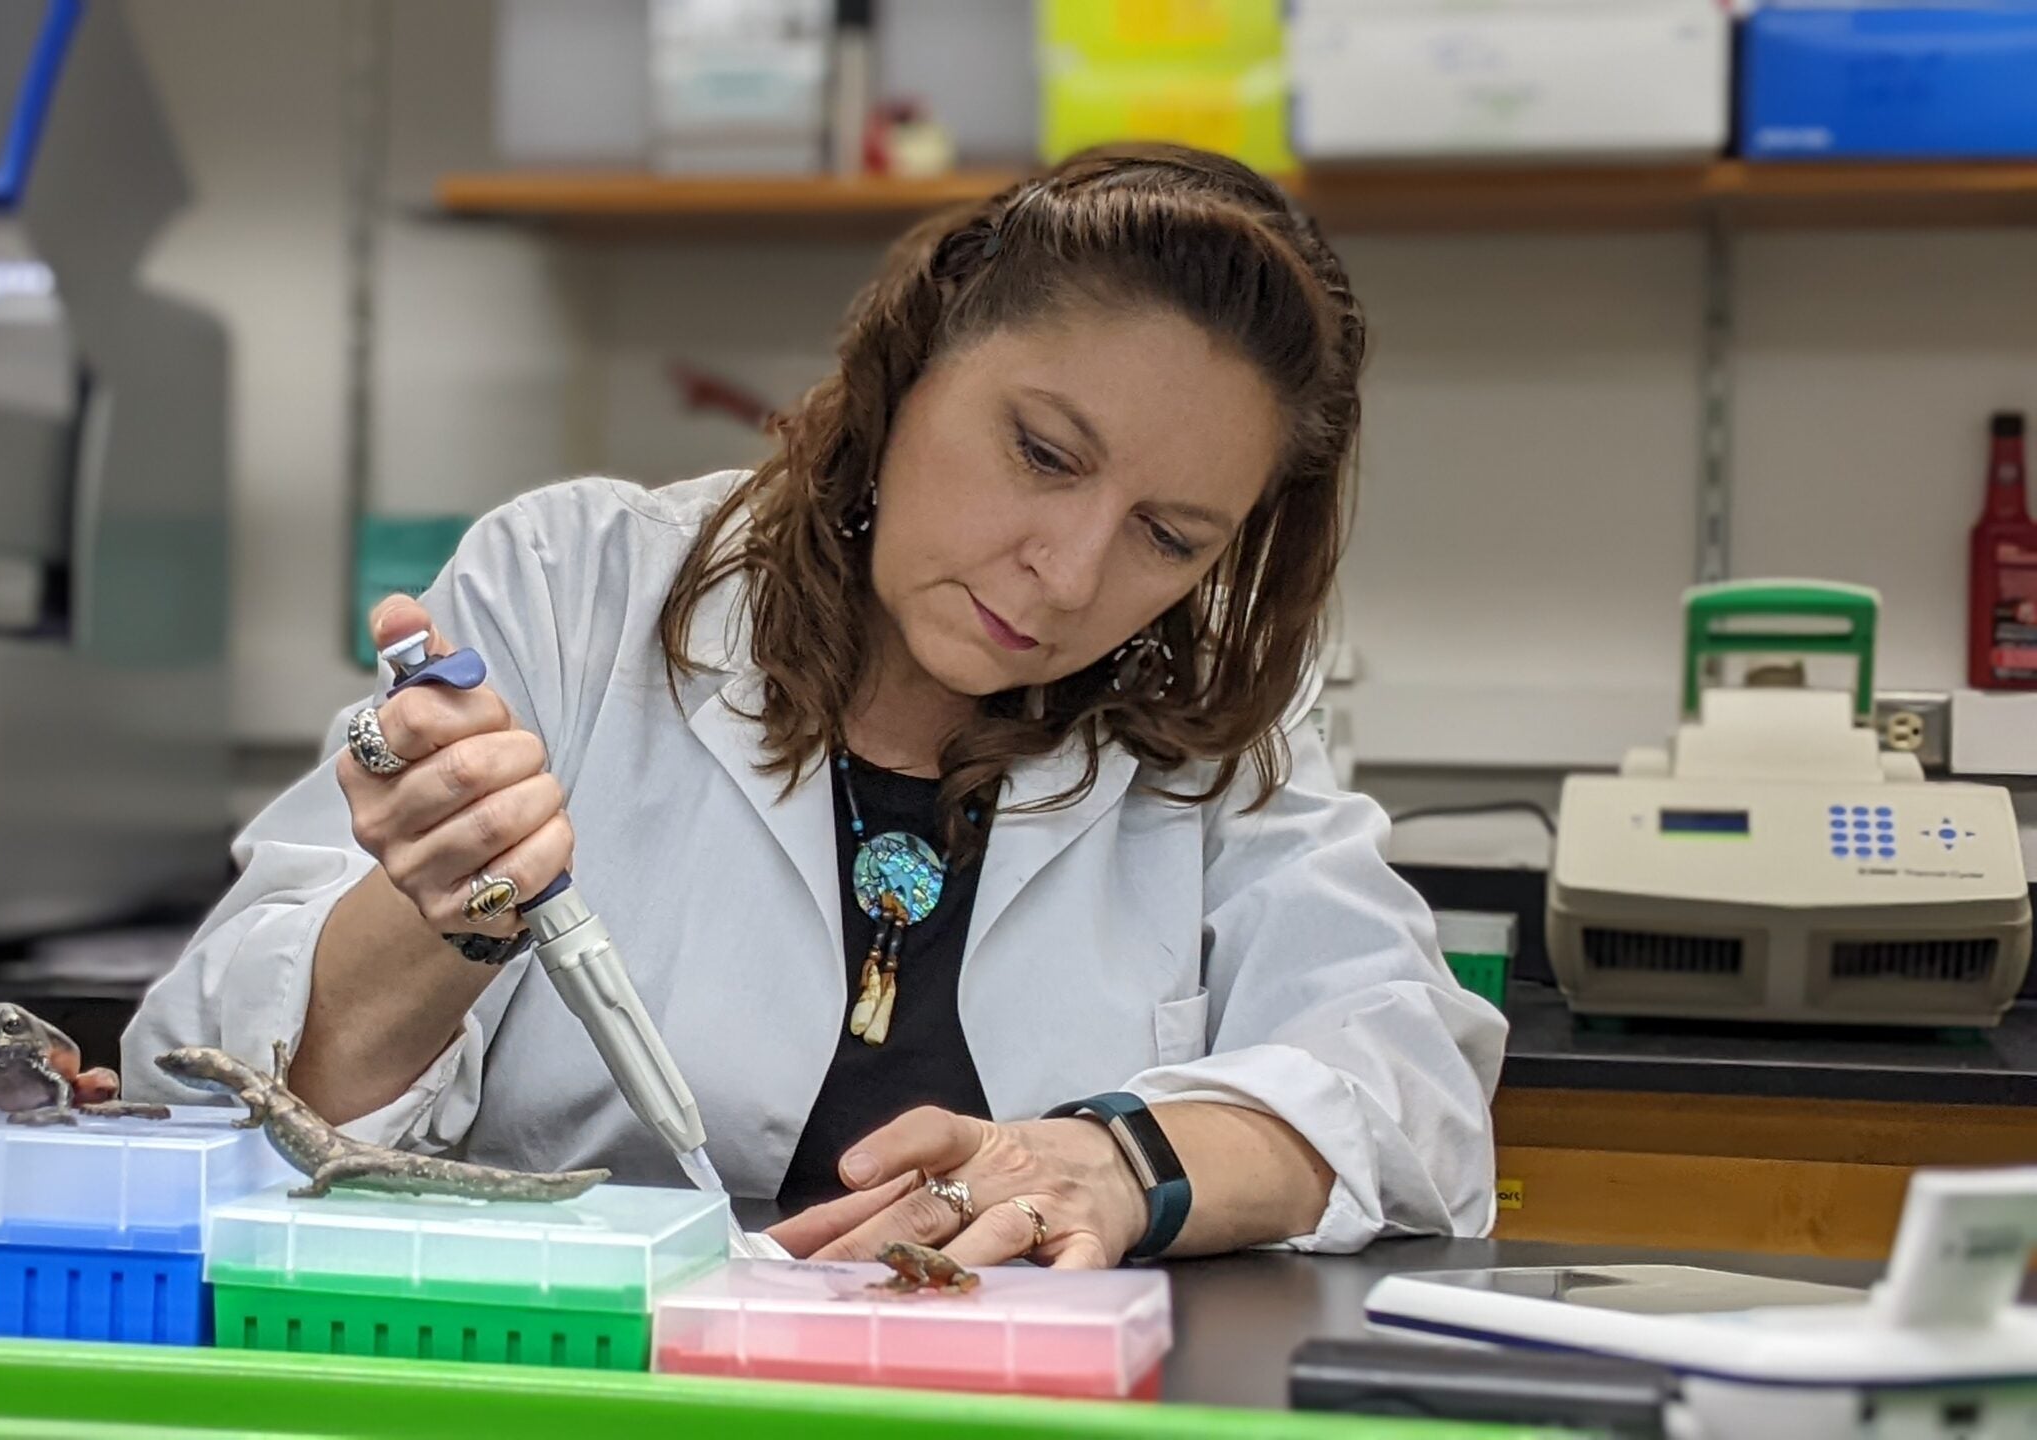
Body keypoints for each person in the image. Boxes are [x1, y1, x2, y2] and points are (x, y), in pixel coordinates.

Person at [125, 143, 1505, 1268]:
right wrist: (442, 910)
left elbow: (1411, 1085)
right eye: (1042, 454)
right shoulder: (576, 588)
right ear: (908, 375)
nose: (1074, 572)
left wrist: (1122, 1162)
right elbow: (196, 1086)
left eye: (1169, 536)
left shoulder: (1204, 721)